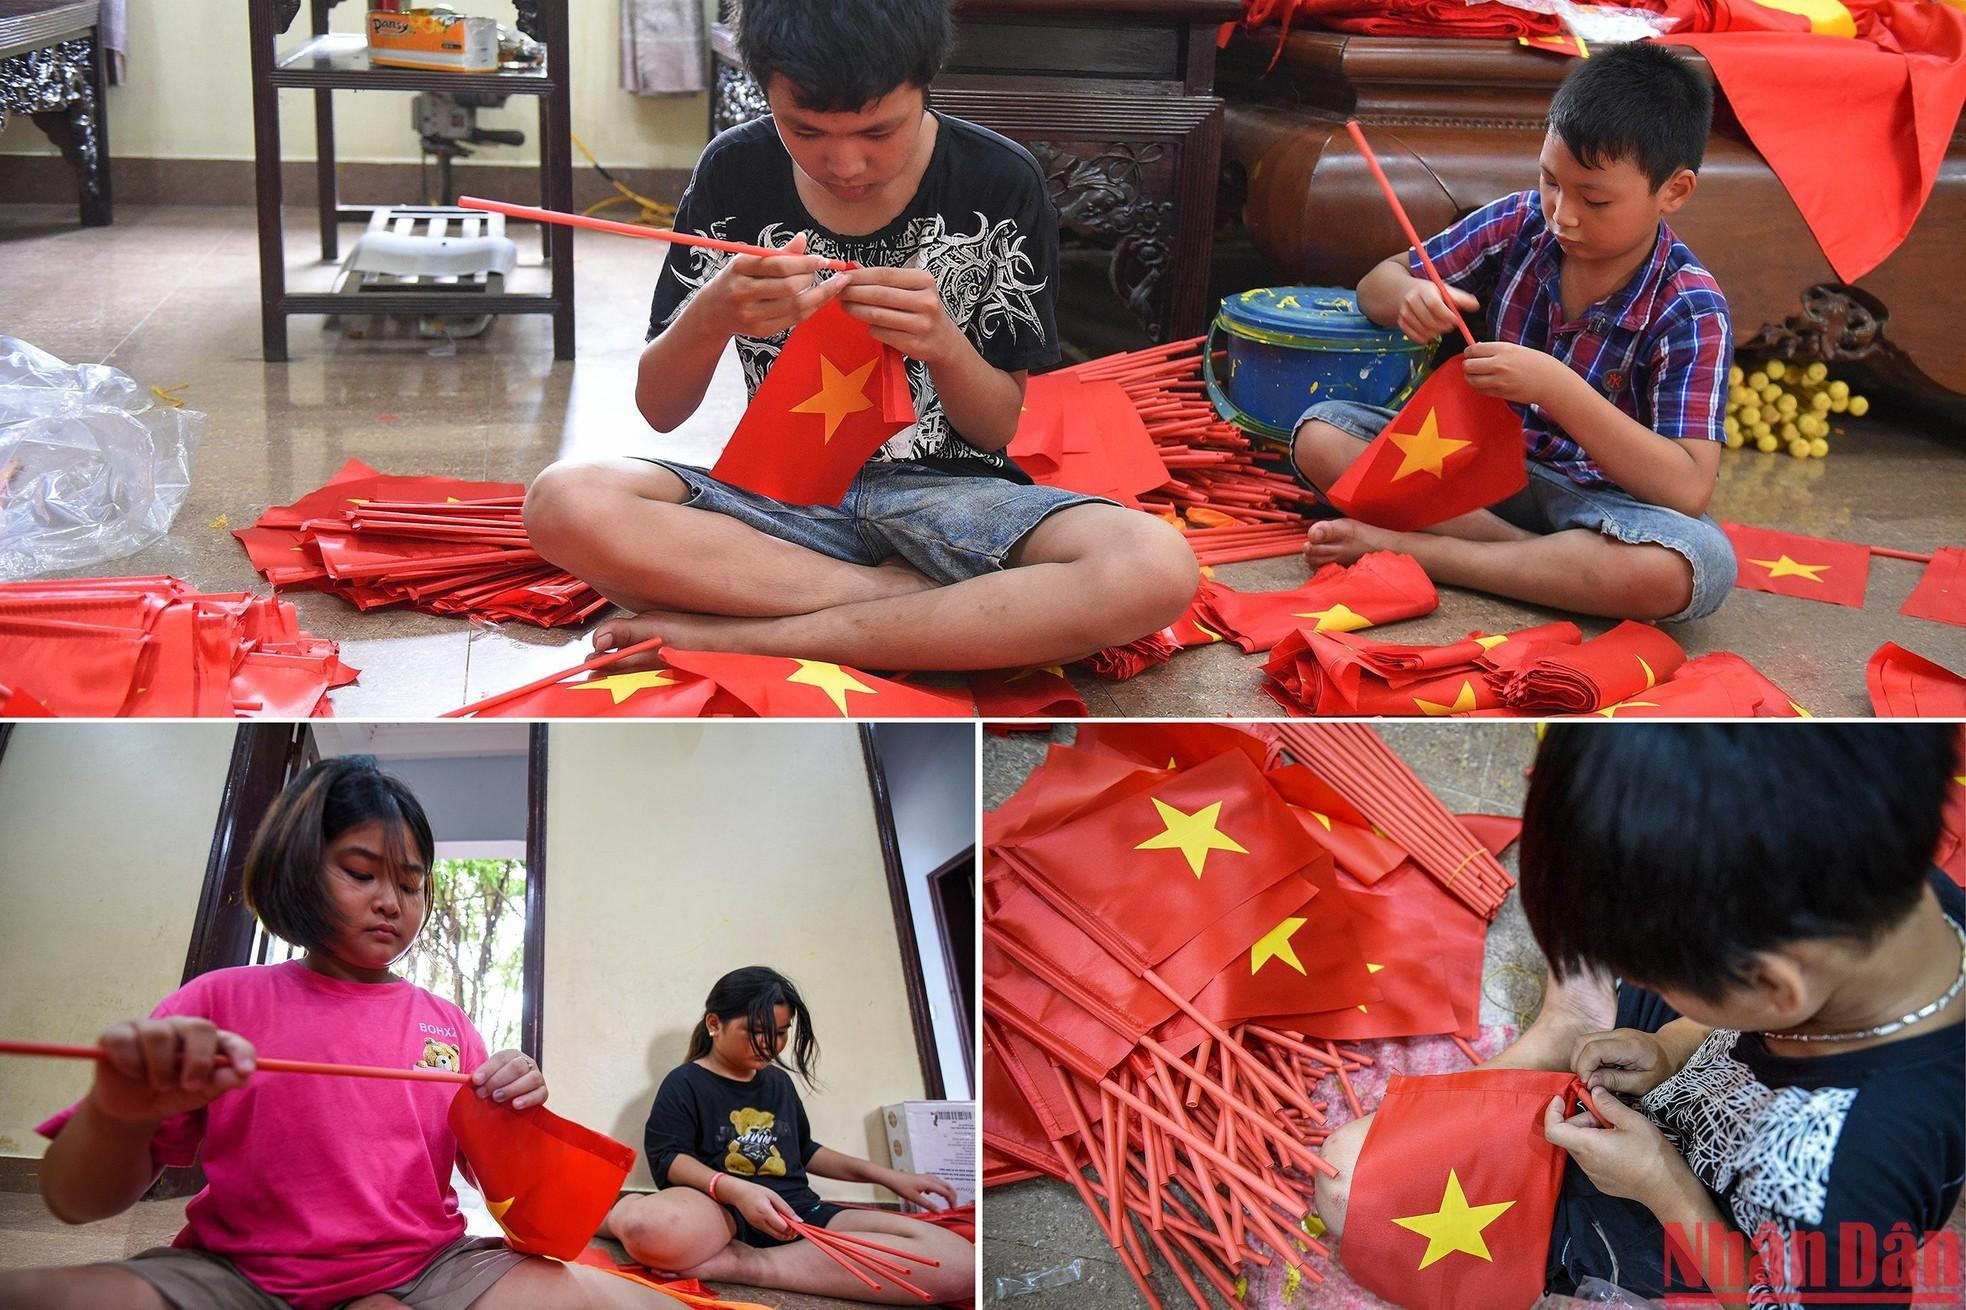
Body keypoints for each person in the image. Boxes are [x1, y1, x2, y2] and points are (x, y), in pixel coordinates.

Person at [523, 0, 1196, 673]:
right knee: (564, 501)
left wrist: (944, 344)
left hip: (954, 498)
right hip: (781, 503)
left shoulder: (999, 179)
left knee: (1154, 564)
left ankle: (752, 636)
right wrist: (711, 315)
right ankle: (912, 608)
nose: (844, 164)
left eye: (879, 131)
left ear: (926, 78)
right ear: (763, 89)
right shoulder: (734, 171)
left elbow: (994, 430)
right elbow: (659, 410)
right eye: (805, 129)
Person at [1313, 725, 1965, 1307]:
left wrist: (1661, 1184)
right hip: (1702, 1058)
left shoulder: (1852, 1175)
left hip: (1691, 1218)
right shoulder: (1887, 904)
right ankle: (1575, 1020)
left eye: (1662, 978)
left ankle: (1576, 1026)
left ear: (1774, 989)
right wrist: (1675, 1047)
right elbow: (1736, 1017)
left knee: (1349, 1184)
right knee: (1600, 861)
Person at [0, 758, 683, 1310]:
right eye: (361, 873)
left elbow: (510, 1193)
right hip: (237, 1276)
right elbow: (71, 1200)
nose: (392, 901)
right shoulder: (215, 1000)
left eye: (412, 885)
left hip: (427, 1270)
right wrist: (119, 1113)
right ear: (297, 867)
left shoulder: (447, 1024)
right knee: (40, 1294)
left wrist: (522, 1105)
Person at [1291, 42, 1738, 623]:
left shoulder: (1692, 306)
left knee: (1685, 568)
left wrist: (1556, 387)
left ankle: (1431, 552)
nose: (1563, 215)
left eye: (1595, 199)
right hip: (1472, 466)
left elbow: (1687, 489)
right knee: (1321, 438)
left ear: (1673, 191)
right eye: (1552, 182)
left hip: (1600, 503)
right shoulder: (1520, 222)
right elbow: (1379, 282)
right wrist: (1410, 296)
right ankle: (1537, 564)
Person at [602, 967, 973, 1303]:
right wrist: (737, 1190)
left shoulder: (778, 1082)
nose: (770, 1045)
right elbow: (669, 1158)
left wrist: (893, 1178)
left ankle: (749, 1265)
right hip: (720, 1211)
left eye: (780, 1033)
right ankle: (610, 1214)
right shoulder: (685, 1082)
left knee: (960, 1264)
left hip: (797, 1211)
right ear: (715, 1024)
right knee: (652, 1228)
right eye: (757, 1032)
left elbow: (805, 1150)